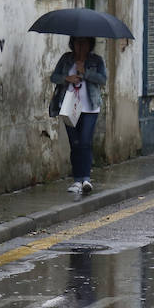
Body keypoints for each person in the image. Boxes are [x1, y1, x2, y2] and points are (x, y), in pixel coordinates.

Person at [48, 36, 106, 194]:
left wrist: (85, 73)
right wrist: (67, 78)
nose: (81, 46)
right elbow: (54, 77)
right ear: (73, 44)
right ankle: (77, 180)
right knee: (74, 143)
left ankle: (86, 178)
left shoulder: (96, 60)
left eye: (84, 43)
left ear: (90, 44)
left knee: (85, 142)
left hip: (89, 108)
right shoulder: (67, 59)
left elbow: (102, 79)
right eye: (78, 43)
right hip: (69, 107)